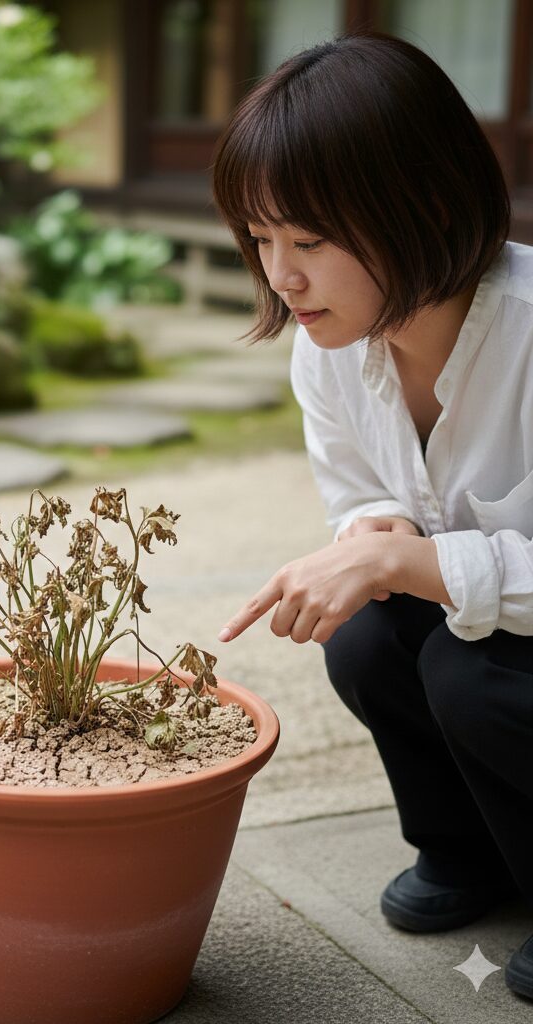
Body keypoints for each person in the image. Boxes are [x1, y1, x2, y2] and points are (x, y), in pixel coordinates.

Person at [209, 32, 533, 1000]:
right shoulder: (330, 345)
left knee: (468, 670)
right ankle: (469, 854)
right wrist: (376, 539)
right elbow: (362, 492)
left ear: (423, 205)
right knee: (366, 640)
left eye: (308, 240)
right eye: (261, 240)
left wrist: (405, 565)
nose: (282, 277)